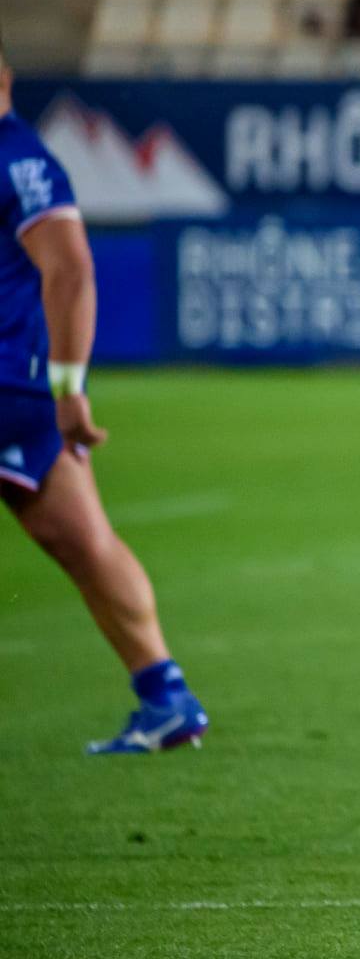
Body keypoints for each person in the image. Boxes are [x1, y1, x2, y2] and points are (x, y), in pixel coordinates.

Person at [0, 46, 209, 755]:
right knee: (83, 540)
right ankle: (165, 695)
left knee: (83, 538)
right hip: (21, 385)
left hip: (10, 383)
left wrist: (69, 388)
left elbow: (72, 269)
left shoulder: (20, 162)